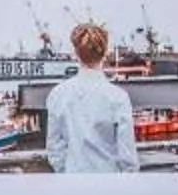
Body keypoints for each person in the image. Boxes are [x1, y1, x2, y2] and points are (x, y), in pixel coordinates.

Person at [42, 21, 139, 173]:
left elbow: (54, 149)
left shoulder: (57, 94)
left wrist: (66, 170)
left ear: (75, 53)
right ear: (105, 53)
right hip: (109, 183)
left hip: (73, 183)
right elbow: (127, 157)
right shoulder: (118, 97)